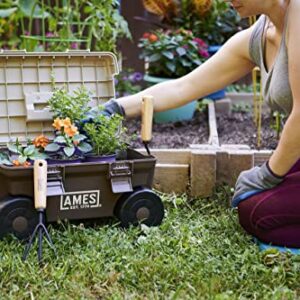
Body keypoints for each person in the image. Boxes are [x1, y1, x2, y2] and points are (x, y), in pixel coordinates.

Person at [97, 0, 300, 247]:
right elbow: (186, 86)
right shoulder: (260, 35)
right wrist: (115, 108)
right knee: (252, 205)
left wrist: (267, 174)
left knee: (257, 213)